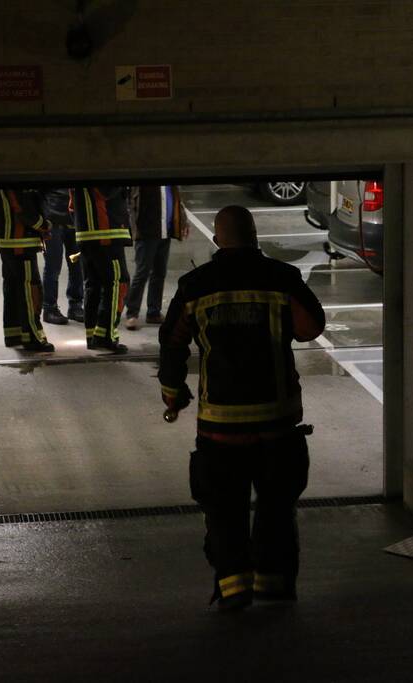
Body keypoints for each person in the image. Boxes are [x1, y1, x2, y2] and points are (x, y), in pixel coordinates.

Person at [158, 205, 326, 611]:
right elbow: (311, 328)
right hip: (276, 423)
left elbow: (173, 343)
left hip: (219, 428)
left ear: (217, 240)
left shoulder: (195, 286)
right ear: (255, 237)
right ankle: (275, 586)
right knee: (276, 508)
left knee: (224, 511)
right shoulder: (282, 279)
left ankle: (234, 591)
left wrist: (173, 393)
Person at [0, 189, 54, 352]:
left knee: (12, 289)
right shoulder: (16, 178)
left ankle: (13, 334)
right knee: (30, 290)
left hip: (7, 241)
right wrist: (44, 225)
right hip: (20, 241)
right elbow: (22, 208)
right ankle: (33, 337)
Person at [70, 185, 132, 354]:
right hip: (105, 233)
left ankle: (93, 336)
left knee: (94, 286)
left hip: (88, 233)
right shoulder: (102, 166)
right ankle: (106, 336)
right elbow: (106, 191)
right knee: (118, 283)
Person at [125, 185, 188, 330]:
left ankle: (153, 312)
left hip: (164, 232)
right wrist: (134, 229)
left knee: (159, 273)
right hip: (146, 233)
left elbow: (177, 202)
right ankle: (132, 313)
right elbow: (131, 205)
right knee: (142, 273)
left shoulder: (169, 184)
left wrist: (183, 221)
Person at [38, 189, 84, 325]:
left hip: (72, 218)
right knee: (53, 266)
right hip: (53, 220)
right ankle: (49, 308)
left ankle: (75, 306)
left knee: (77, 265)